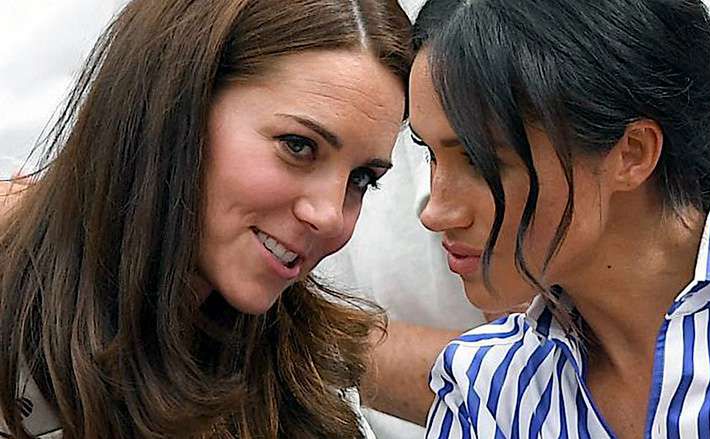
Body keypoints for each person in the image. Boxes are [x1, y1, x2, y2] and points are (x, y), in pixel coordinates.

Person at [0, 0, 411, 437]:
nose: (329, 216)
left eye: (362, 179)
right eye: (298, 146)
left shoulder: (309, 386)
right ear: (174, 108)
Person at [406, 0, 710, 437]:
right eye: (429, 154)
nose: (435, 212)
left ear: (632, 152)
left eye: (480, 160)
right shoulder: (484, 392)